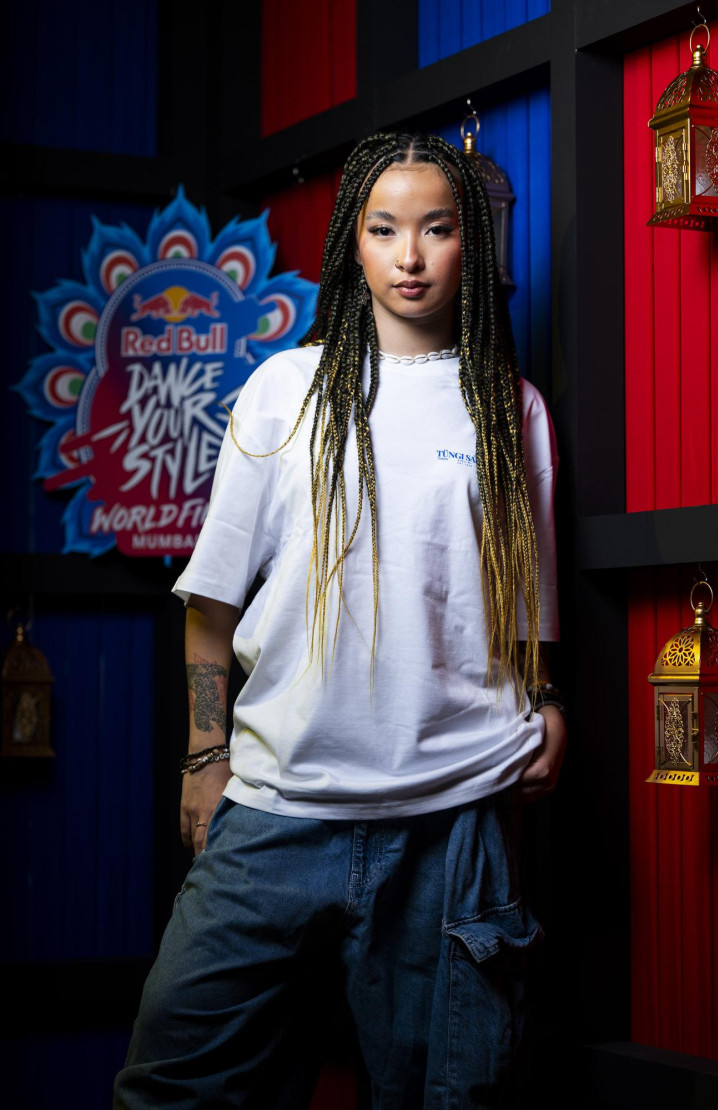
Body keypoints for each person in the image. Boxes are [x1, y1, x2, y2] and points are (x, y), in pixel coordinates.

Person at [114, 131, 566, 1109]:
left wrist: (545, 702)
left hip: (451, 819)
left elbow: (521, 607)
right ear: (352, 244)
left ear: (470, 243)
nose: (410, 256)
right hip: (279, 810)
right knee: (170, 1091)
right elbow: (211, 603)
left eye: (437, 229)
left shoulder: (509, 409)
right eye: (385, 229)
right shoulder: (286, 390)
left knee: (450, 1098)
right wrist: (203, 756)